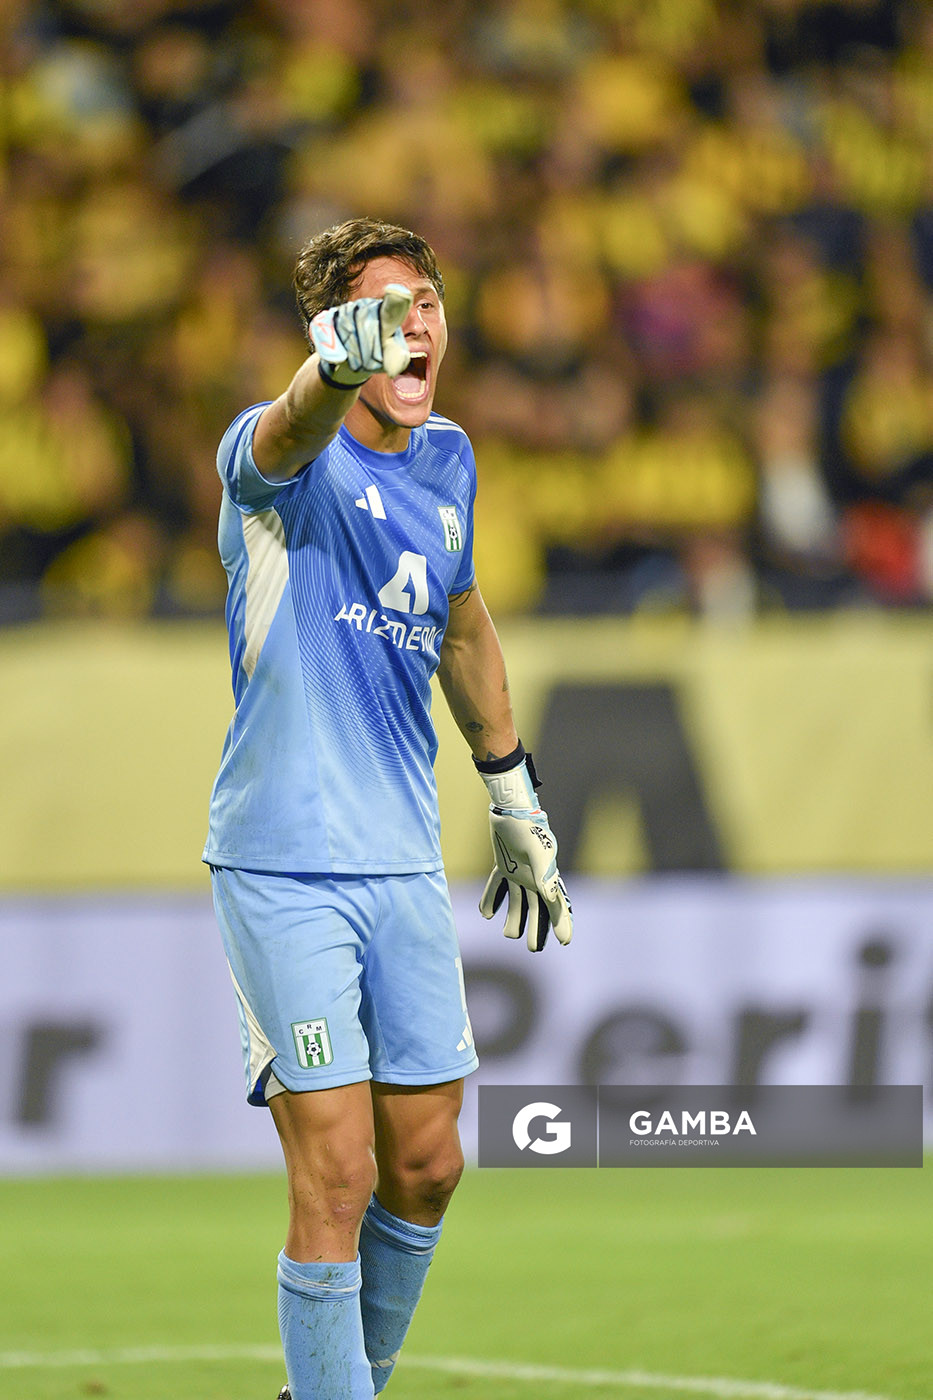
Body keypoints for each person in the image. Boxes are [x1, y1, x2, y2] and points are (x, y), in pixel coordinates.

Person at [203, 217, 573, 1400]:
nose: (414, 327)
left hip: (403, 865)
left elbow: (462, 620)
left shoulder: (452, 459)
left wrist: (510, 788)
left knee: (427, 1165)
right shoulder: (281, 457)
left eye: (427, 305)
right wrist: (333, 368)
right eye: (383, 309)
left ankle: (335, 1383)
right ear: (332, 331)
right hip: (283, 867)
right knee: (339, 1173)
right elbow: (287, 425)